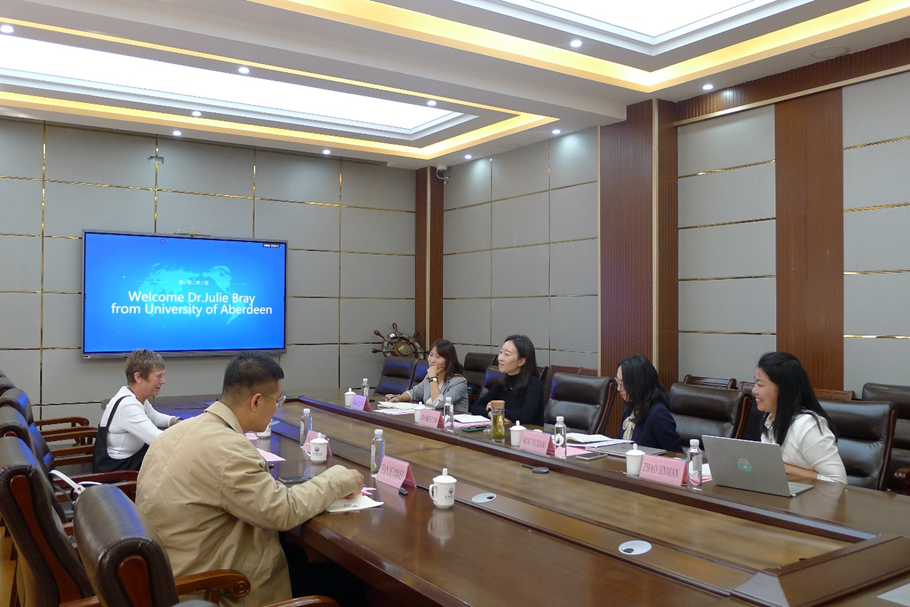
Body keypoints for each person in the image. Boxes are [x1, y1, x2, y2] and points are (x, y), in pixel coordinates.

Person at [136, 352, 364, 607]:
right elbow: (283, 512)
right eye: (277, 400)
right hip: (212, 591)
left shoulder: (177, 431)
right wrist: (340, 479)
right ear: (256, 401)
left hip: (175, 575)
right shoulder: (230, 449)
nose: (277, 408)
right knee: (347, 586)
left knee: (301, 558)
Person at [753, 352, 847, 484]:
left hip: (813, 495)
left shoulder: (807, 425)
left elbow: (838, 481)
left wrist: (785, 468)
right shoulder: (770, 418)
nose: (754, 390)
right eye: (755, 383)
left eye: (760, 385)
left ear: (783, 388)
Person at [93, 349, 179, 472]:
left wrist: (176, 421)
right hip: (117, 473)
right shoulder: (128, 406)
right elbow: (158, 440)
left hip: (131, 463)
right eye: (158, 376)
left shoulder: (135, 397)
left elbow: (155, 417)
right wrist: (189, 433)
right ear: (138, 377)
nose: (163, 381)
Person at [469, 335, 544, 425]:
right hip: (506, 431)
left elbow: (525, 416)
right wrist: (491, 414)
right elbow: (475, 406)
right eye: (501, 352)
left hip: (529, 432)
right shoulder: (503, 384)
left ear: (521, 361)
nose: (500, 358)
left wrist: (497, 411)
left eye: (507, 354)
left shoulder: (534, 384)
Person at [616, 355, 683, 453]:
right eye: (618, 382)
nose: (618, 388)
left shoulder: (658, 413)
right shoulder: (628, 408)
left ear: (638, 382)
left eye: (622, 383)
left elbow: (676, 455)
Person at [384, 339, 468, 410]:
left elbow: (439, 403)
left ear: (448, 360)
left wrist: (433, 378)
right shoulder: (429, 376)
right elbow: (414, 393)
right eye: (431, 355)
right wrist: (399, 398)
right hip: (430, 419)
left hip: (452, 422)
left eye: (437, 357)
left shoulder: (459, 382)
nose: (432, 360)